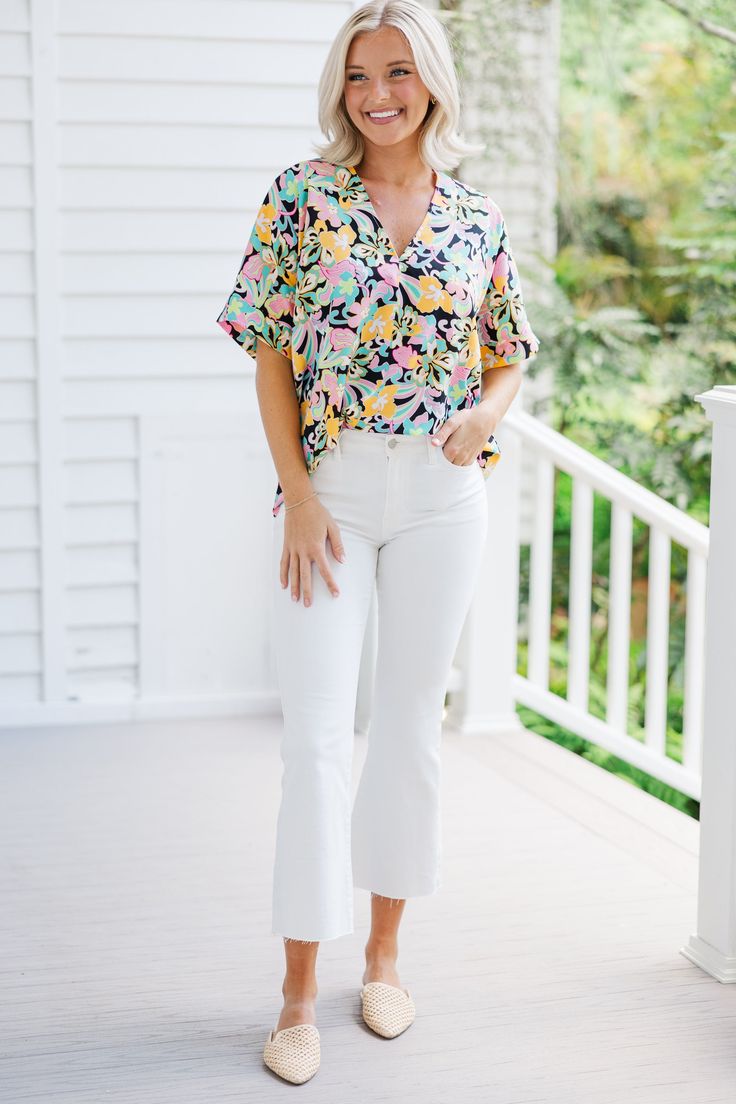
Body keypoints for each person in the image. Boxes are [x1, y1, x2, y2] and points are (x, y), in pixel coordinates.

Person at [216, 0, 540, 1084]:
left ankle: (387, 957)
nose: (378, 93)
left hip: (446, 496)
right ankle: (298, 990)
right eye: (358, 76)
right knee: (314, 737)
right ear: (340, 89)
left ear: (431, 82)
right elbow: (266, 350)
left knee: (407, 728)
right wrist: (298, 493)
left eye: (397, 71)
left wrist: (490, 415)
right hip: (335, 495)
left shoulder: (475, 216)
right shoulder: (301, 198)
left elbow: (508, 351)